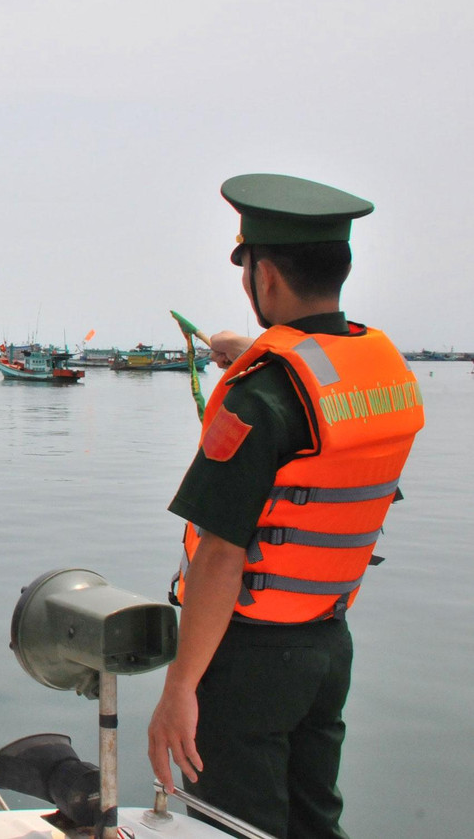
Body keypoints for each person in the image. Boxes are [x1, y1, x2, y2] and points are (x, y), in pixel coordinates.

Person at [146, 174, 424, 838]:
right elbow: (319, 388)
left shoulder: (257, 400)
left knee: (237, 824)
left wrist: (180, 687)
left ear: (263, 276)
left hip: (247, 660)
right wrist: (256, 355)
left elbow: (219, 556)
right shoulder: (383, 370)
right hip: (327, 644)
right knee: (312, 816)